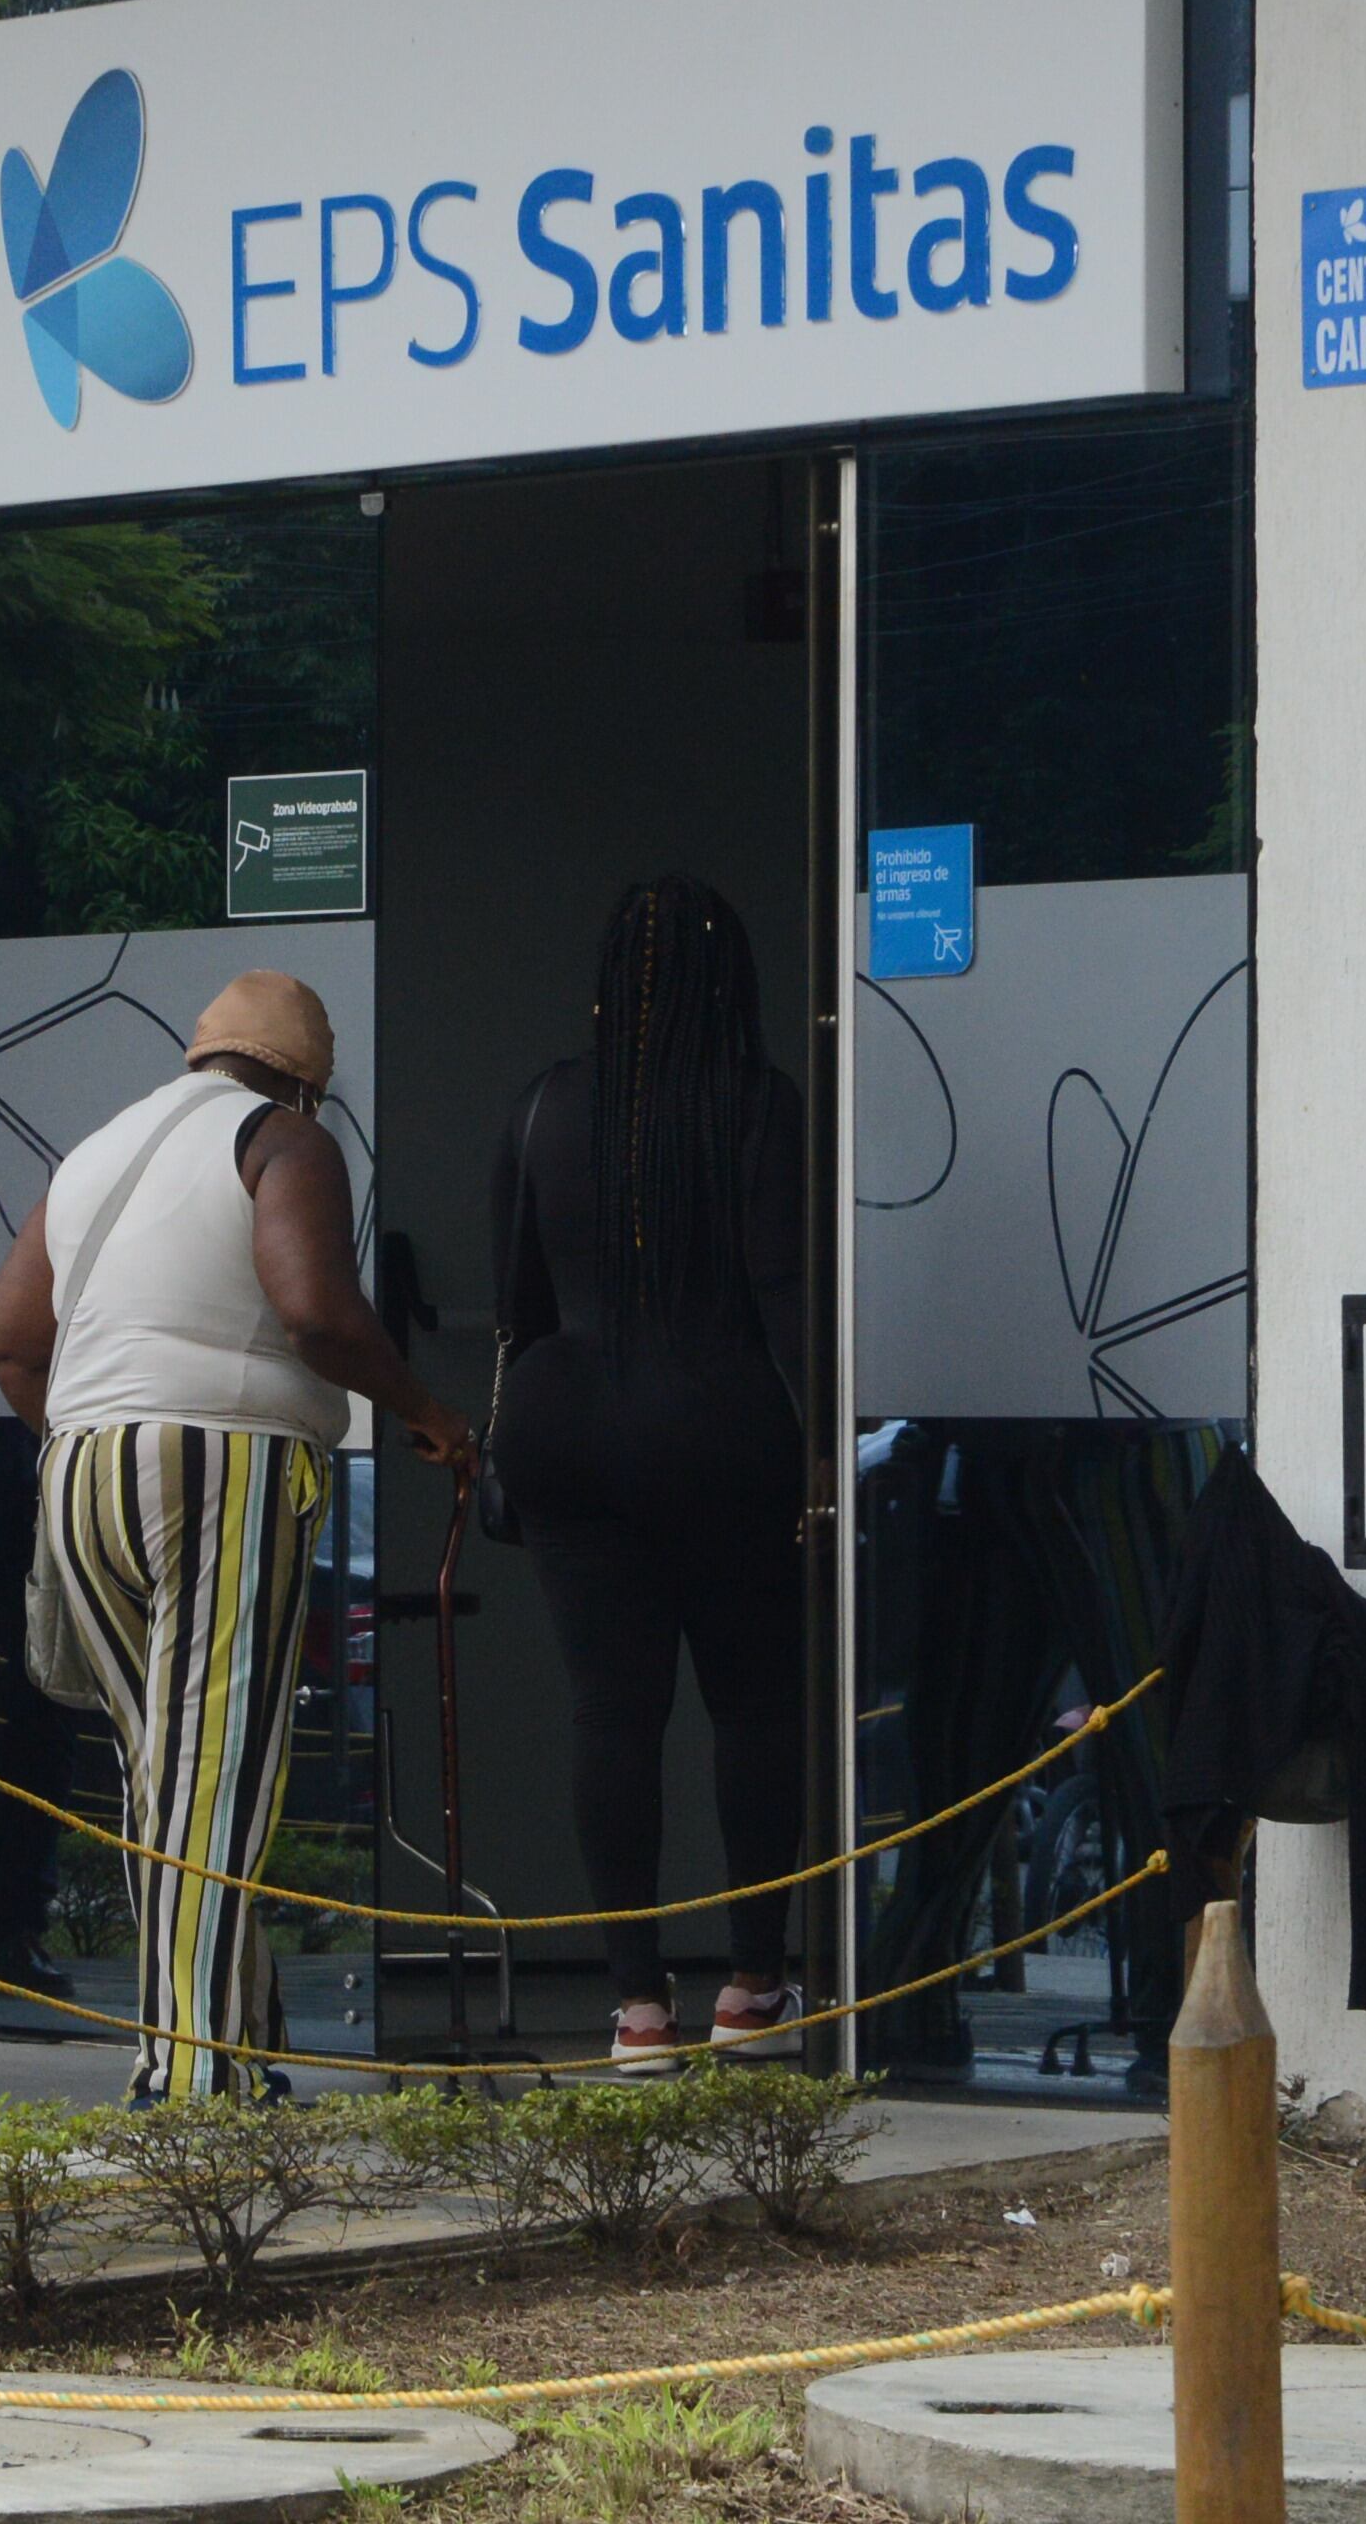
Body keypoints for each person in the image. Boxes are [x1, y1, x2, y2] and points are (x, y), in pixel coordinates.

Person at [0, 973, 473, 2102]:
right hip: (220, 1465)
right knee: (216, 1775)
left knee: (167, 1773)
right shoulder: (282, 1139)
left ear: (202, 1052)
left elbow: (8, 1339)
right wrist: (426, 1414)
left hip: (79, 1460)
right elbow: (316, 1310)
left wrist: (94, 1427)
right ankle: (189, 2077)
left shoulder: (97, 1150)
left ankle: (238, 2044)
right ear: (306, 1078)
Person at [488, 876, 813, 2074]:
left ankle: (635, 2007)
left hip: (567, 1428)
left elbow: (519, 1298)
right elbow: (782, 1291)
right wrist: (824, 1439)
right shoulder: (757, 1106)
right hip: (725, 1430)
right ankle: (751, 1984)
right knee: (753, 1709)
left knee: (611, 1712)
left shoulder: (544, 1106)